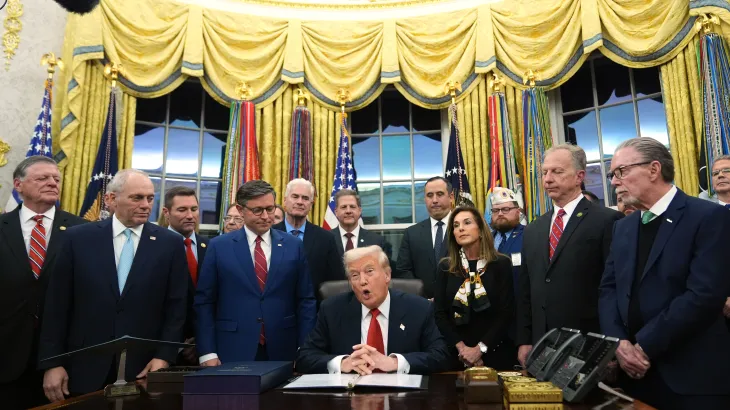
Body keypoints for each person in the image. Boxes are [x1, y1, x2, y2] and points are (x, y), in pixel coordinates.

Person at [599, 138, 730, 409]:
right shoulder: (623, 227)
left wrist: (643, 346)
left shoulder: (707, 217)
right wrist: (619, 344)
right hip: (636, 377)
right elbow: (608, 289)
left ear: (654, 169)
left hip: (692, 379)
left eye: (621, 171)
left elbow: (704, 295)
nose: (614, 182)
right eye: (613, 174)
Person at [39, 169, 189, 401]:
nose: (146, 205)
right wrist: (52, 362)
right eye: (136, 197)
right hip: (82, 366)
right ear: (110, 199)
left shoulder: (170, 244)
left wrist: (164, 357)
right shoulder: (77, 239)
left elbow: (176, 307)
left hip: (144, 367)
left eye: (150, 198)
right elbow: (57, 305)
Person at [516, 144, 622, 367]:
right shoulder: (534, 229)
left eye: (557, 171)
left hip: (588, 343)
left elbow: (614, 288)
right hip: (541, 345)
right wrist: (525, 339)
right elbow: (526, 288)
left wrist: (613, 343)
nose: (548, 179)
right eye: (545, 172)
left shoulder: (607, 221)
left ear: (579, 176)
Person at [195, 180, 316, 365]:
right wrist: (207, 352)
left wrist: (305, 348)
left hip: (284, 348)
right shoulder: (219, 247)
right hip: (232, 348)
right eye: (257, 210)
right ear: (241, 210)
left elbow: (306, 300)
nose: (266, 216)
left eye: (270, 209)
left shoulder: (293, 245)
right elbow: (204, 302)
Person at [0, 156, 86, 410]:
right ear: (19, 185)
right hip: (6, 355)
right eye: (42, 178)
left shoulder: (83, 230)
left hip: (64, 359)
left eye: (56, 179)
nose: (52, 183)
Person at [296, 246, 449, 375]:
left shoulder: (419, 308)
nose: (362, 281)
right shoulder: (331, 309)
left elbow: (441, 355)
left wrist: (394, 362)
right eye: (354, 275)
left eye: (369, 271)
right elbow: (305, 357)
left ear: (387, 275)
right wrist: (342, 363)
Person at [434, 206, 516, 370]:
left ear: (480, 229)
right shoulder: (446, 266)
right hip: (456, 354)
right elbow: (440, 313)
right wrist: (462, 349)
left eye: (467, 223)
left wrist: (480, 349)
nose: (461, 228)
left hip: (494, 352)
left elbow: (506, 313)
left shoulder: (501, 264)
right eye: (456, 226)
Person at [273, 178, 345, 301]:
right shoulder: (270, 234)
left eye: (305, 198)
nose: (300, 202)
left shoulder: (326, 239)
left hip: (314, 311)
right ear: (285, 201)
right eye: (295, 197)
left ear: (311, 205)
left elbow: (335, 283)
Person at [161, 186, 209, 364]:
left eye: (194, 209)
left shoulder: (211, 247)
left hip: (204, 349)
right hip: (163, 350)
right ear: (167, 212)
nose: (190, 215)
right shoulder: (155, 247)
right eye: (182, 210)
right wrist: (177, 345)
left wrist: (201, 340)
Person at [396, 176, 454, 299]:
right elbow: (403, 271)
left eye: (440, 194)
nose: (434, 200)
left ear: (451, 197)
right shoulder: (411, 234)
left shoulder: (463, 230)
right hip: (422, 306)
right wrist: (421, 298)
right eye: (429, 195)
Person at [490, 187, 524, 295]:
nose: (500, 214)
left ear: (518, 212)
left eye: (505, 209)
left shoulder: (529, 235)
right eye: (495, 210)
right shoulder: (485, 240)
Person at [331, 189, 386, 256]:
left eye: (352, 207)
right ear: (336, 212)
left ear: (359, 211)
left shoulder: (376, 241)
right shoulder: (325, 239)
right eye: (343, 207)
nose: (348, 211)